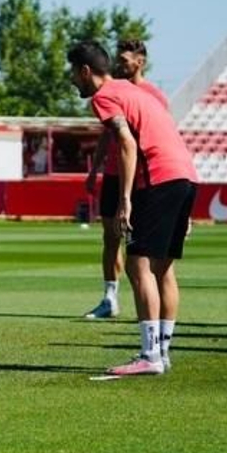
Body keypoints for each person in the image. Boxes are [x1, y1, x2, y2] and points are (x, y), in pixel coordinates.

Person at [67, 40, 198, 377]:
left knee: (139, 267)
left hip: (157, 178)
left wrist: (125, 198)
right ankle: (162, 352)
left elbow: (126, 143)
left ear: (85, 71)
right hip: (185, 175)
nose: (71, 81)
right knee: (164, 269)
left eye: (72, 73)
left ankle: (150, 355)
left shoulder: (104, 96)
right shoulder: (134, 91)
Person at [82, 39, 170, 319]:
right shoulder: (112, 91)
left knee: (141, 250)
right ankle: (110, 298)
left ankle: (147, 308)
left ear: (140, 62)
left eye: (125, 59)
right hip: (112, 173)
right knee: (111, 238)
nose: (120, 64)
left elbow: (160, 133)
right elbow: (108, 135)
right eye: (117, 59)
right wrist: (95, 169)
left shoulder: (152, 95)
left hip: (144, 178)